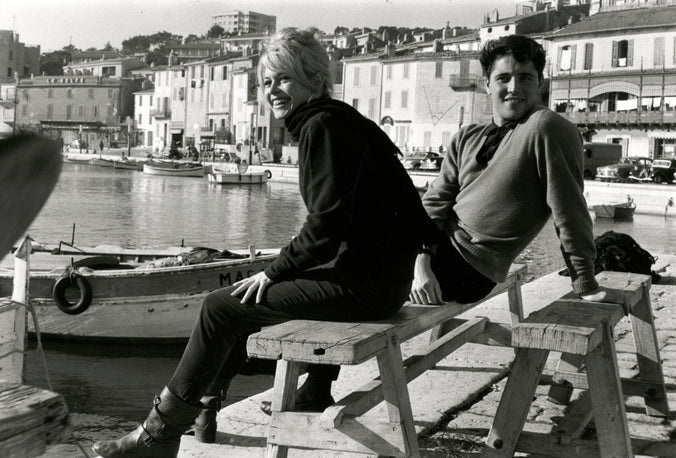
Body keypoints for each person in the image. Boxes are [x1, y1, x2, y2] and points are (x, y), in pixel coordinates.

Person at [92, 28, 438, 458]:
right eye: (266, 81)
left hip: (365, 290)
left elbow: (324, 230)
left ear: (314, 80)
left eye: (284, 79)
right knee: (245, 296)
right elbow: (390, 215)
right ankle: (287, 396)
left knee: (220, 308)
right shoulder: (344, 120)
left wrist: (273, 270)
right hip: (382, 282)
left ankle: (158, 435)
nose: (273, 90)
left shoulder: (321, 126)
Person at [410, 34, 623, 307]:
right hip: (426, 255)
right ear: (487, 84)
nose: (514, 87)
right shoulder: (466, 137)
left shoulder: (546, 128)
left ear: (540, 84)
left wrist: (584, 282)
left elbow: (569, 211)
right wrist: (421, 261)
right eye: (503, 78)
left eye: (525, 78)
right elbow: (434, 203)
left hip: (464, 268)